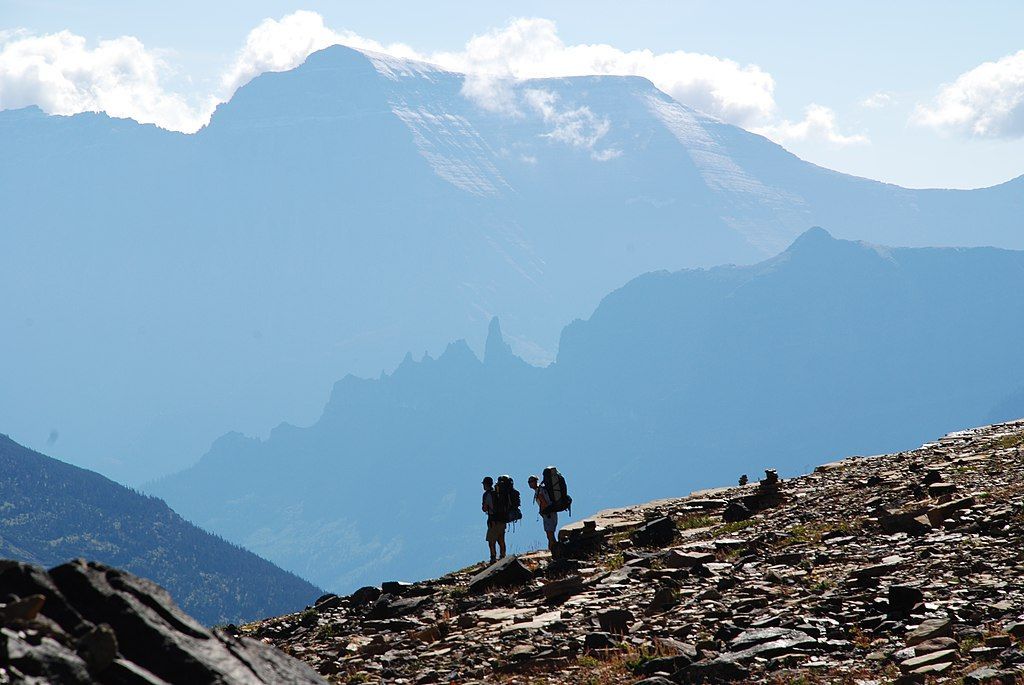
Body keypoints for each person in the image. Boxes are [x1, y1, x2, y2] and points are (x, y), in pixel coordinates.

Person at [528, 474, 558, 554]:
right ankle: (555, 550)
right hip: (550, 513)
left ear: (535, 481)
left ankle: (554, 551)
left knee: (549, 534)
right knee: (550, 534)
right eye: (529, 482)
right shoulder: (541, 489)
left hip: (548, 514)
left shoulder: (539, 491)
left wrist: (542, 511)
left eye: (531, 481)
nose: (530, 483)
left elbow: (544, 502)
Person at [481, 476, 506, 563]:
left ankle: (493, 557)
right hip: (502, 519)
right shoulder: (498, 493)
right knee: (501, 539)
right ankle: (503, 556)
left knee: (491, 541)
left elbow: (484, 508)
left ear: (485, 484)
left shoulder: (487, 494)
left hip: (493, 521)